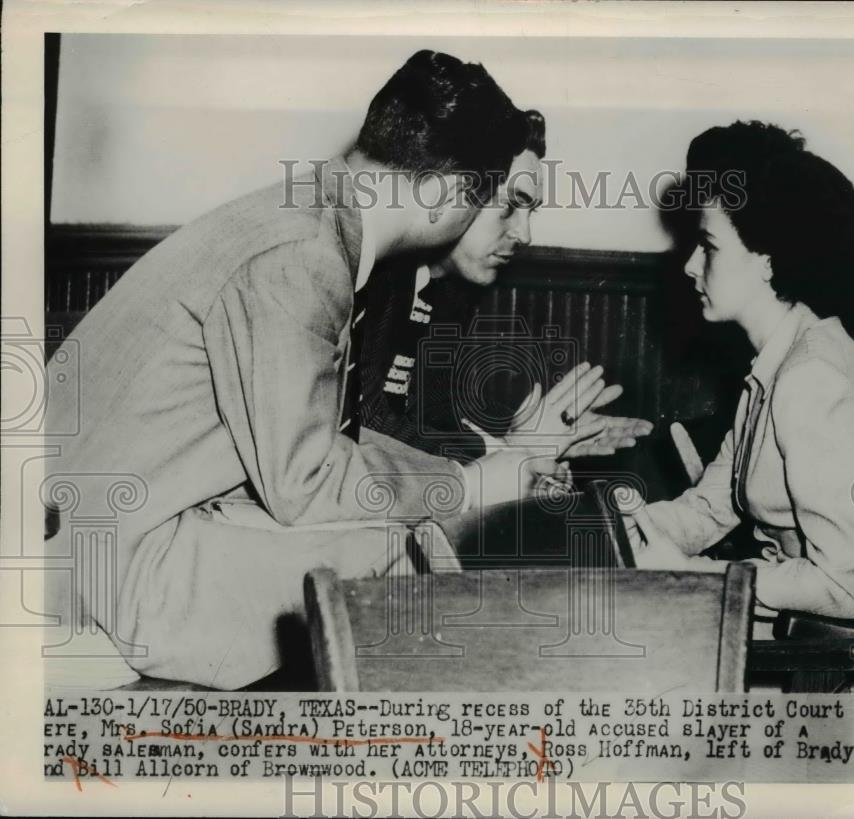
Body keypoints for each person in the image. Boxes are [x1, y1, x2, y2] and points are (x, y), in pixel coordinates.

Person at [42, 50, 605, 689]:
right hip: (99, 571)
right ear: (445, 194)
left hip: (121, 532)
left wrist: (475, 478)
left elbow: (322, 457)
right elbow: (306, 481)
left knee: (408, 536)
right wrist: (471, 485)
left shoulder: (305, 219)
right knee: (394, 564)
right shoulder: (301, 257)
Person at [622, 121, 854, 716]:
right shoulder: (777, 363)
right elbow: (712, 506)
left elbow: (841, 587)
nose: (688, 266)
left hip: (842, 674)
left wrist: (696, 577)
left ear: (766, 260)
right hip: (794, 643)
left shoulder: (814, 377)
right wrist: (635, 530)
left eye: (707, 246)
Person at [357, 109, 653, 465]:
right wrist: (511, 455)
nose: (525, 234)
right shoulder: (373, 274)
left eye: (531, 212)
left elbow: (432, 421)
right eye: (510, 206)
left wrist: (514, 443)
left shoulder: (449, 292)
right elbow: (367, 425)